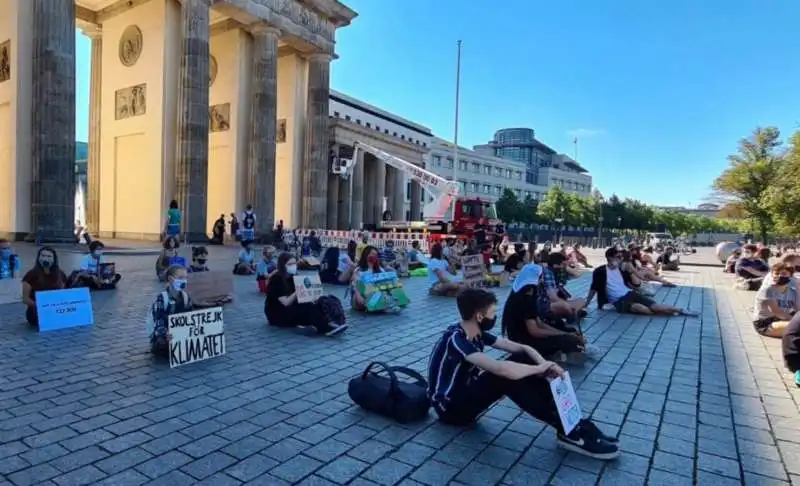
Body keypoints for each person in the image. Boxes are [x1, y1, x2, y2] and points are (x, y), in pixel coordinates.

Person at [427, 288, 619, 459]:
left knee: (523, 360)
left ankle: (572, 424)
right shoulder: (456, 340)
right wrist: (538, 370)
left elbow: (523, 348)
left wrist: (545, 365)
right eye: (493, 313)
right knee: (505, 377)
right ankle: (569, 431)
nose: (495, 317)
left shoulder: (474, 332)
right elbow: (500, 369)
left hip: (466, 392)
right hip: (451, 409)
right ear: (479, 316)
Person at [502, 264, 591, 365]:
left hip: (523, 337)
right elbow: (535, 331)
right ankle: (554, 356)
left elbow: (540, 324)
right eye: (541, 277)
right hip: (524, 342)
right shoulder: (525, 298)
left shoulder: (524, 293)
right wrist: (564, 335)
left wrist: (564, 333)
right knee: (569, 341)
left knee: (569, 332)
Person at [584, 247, 697, 316]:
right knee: (642, 309)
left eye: (621, 257)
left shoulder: (622, 268)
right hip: (620, 301)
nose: (620, 259)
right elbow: (594, 288)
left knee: (655, 307)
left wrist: (635, 273)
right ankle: (667, 313)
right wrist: (587, 303)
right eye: (617, 257)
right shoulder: (600, 271)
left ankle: (681, 310)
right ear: (609, 257)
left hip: (630, 294)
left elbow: (633, 278)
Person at [265, 252, 347, 336]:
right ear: (283, 265)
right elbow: (286, 302)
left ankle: (330, 323)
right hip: (278, 314)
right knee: (307, 307)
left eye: (294, 263)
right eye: (290, 264)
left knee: (315, 304)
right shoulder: (277, 280)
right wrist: (298, 291)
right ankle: (325, 328)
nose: (293, 266)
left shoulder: (292, 277)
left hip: (290, 309)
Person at [146, 265, 192, 358]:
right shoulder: (162, 298)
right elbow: (158, 319)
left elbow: (190, 316)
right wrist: (165, 333)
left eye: (185, 277)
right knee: (163, 345)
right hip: (164, 331)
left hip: (179, 331)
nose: (184, 280)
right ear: (171, 279)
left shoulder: (186, 296)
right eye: (180, 278)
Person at [21, 247, 69, 329]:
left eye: (49, 256)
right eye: (42, 255)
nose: (45, 258)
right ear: (38, 258)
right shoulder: (31, 275)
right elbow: (25, 299)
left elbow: (64, 294)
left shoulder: (60, 274)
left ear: (54, 259)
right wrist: (42, 306)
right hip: (36, 312)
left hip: (56, 310)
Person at [753, 262, 799, 338]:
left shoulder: (792, 292)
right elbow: (776, 311)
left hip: (782, 320)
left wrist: (798, 289)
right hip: (766, 324)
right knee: (797, 327)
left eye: (784, 274)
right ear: (772, 275)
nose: (779, 276)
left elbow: (798, 310)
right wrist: (795, 321)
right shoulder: (767, 290)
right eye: (776, 273)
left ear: (790, 276)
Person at [542, 252, 587, 319]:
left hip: (555, 301)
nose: (564, 266)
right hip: (548, 304)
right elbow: (552, 297)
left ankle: (570, 313)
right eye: (563, 264)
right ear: (555, 265)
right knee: (566, 305)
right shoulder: (548, 272)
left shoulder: (558, 271)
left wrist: (567, 267)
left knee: (582, 301)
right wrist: (566, 304)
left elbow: (577, 274)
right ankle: (571, 314)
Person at [350, 246, 387, 311]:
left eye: (376, 255)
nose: (374, 256)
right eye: (372, 254)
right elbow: (355, 286)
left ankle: (378, 304)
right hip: (360, 296)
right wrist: (359, 296)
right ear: (366, 255)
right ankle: (376, 305)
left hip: (375, 294)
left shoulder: (380, 270)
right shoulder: (359, 270)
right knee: (366, 285)